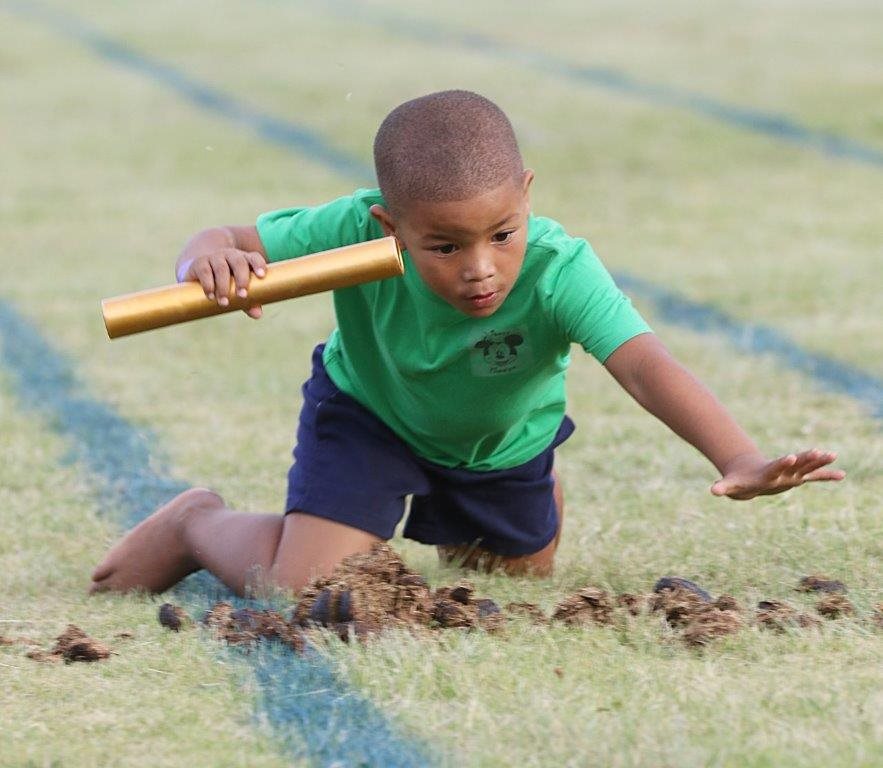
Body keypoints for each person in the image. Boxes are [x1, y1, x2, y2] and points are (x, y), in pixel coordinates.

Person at [90, 90, 844, 597]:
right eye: (445, 246)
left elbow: (646, 366)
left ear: (526, 195)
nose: (480, 268)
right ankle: (196, 523)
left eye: (501, 234)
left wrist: (738, 458)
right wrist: (205, 260)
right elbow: (224, 236)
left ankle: (509, 503)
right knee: (306, 592)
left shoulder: (559, 270)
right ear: (390, 226)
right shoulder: (353, 231)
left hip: (501, 443)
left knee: (511, 577)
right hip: (372, 414)